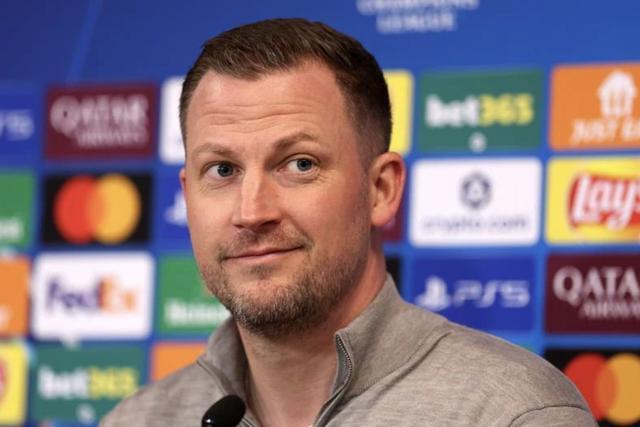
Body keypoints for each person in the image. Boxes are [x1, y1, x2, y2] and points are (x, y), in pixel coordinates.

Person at [102, 18, 595, 427]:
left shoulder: (514, 413)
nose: (251, 212)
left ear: (381, 190)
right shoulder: (140, 420)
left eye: (299, 164)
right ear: (187, 195)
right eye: (223, 170)